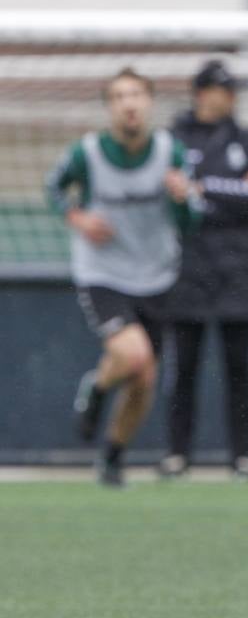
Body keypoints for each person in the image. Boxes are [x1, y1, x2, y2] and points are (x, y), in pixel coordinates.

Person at [47, 67, 201, 487]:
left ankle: (113, 454)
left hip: (157, 275)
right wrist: (78, 218)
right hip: (104, 273)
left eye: (135, 95)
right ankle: (95, 390)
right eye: (118, 96)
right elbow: (54, 188)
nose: (128, 104)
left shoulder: (171, 152)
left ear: (149, 102)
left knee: (143, 378)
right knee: (135, 358)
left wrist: (183, 199)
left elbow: (191, 221)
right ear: (110, 106)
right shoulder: (88, 153)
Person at [160, 60, 248, 481]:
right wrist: (226, 195)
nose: (222, 97)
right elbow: (168, 192)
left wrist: (202, 187)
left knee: (238, 366)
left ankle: (243, 456)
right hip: (186, 268)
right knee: (184, 367)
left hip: (238, 269)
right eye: (214, 89)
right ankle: (177, 455)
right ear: (198, 92)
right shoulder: (172, 139)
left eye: (228, 90)